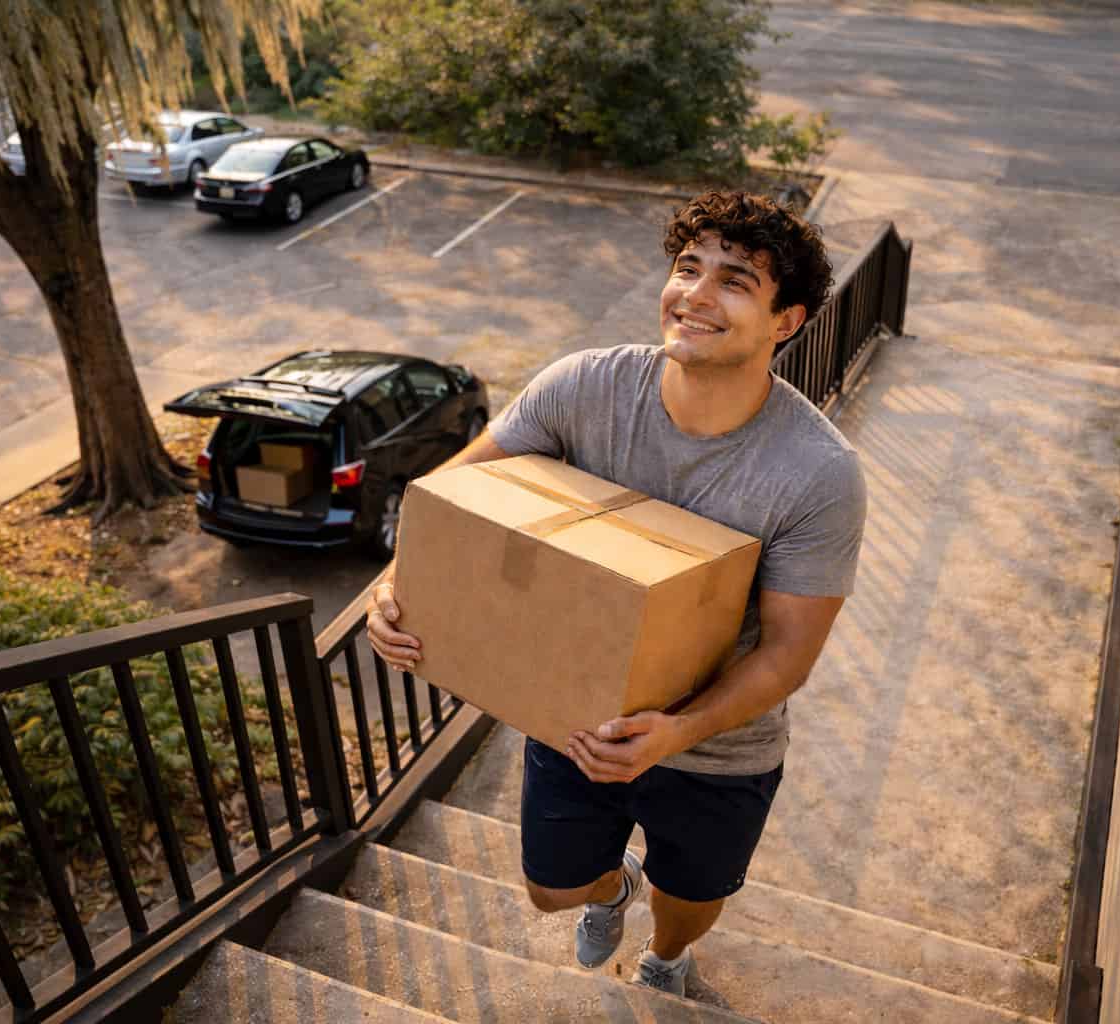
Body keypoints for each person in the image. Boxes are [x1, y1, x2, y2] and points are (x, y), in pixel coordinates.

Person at [367, 189, 866, 997]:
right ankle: (614, 889)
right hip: (574, 714)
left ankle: (666, 957)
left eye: (735, 282)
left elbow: (787, 651)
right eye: (687, 268)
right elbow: (447, 496)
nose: (696, 295)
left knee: (691, 899)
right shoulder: (584, 388)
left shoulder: (817, 473)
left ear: (787, 322)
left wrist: (677, 733)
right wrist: (394, 586)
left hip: (719, 751)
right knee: (550, 890)